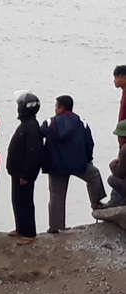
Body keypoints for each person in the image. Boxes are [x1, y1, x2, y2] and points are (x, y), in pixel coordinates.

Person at [41, 95, 106, 234]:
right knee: (94, 175)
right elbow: (90, 143)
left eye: (55, 106)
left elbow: (40, 136)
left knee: (56, 195)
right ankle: (96, 203)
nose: (55, 109)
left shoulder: (49, 122)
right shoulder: (81, 122)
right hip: (78, 163)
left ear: (61, 108)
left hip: (56, 165)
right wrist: (89, 159)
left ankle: (56, 227)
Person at [6, 92, 44, 245]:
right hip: (18, 172)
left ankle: (29, 232)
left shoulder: (32, 127)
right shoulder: (27, 124)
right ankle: (20, 228)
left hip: (24, 173)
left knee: (25, 201)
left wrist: (26, 174)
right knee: (17, 200)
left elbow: (34, 154)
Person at [109, 65, 126, 205]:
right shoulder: (124, 92)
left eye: (116, 77)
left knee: (118, 167)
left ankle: (116, 199)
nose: (114, 81)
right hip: (122, 135)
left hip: (124, 137)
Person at [107, 120, 126, 204]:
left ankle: (116, 201)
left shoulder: (124, 149)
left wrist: (113, 165)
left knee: (111, 179)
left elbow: (119, 174)